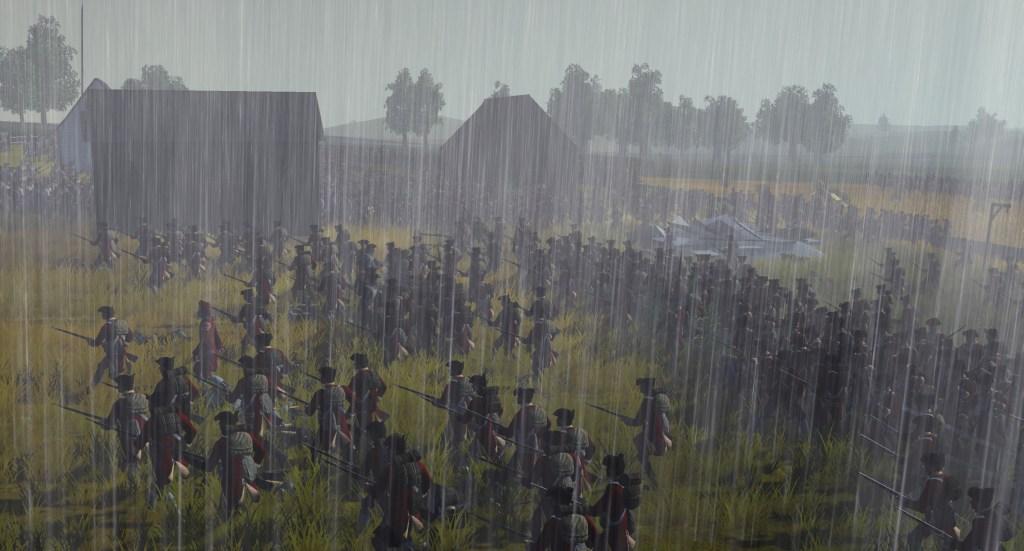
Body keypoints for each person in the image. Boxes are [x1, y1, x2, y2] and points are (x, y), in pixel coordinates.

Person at [371, 434, 430, 551]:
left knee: (380, 540)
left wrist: (369, 488)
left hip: (397, 517)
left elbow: (377, 490)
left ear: (393, 450)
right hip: (415, 514)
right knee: (402, 541)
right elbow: (427, 484)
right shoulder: (419, 466)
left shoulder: (391, 468)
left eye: (388, 449)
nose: (386, 452)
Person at [207, 410, 266, 514]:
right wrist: (254, 465)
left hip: (230, 485)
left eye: (221, 424)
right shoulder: (247, 437)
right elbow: (261, 452)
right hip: (250, 478)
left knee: (224, 514)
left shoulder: (221, 443)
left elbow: (209, 467)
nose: (220, 427)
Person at [621, 378, 672, 487]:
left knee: (641, 455)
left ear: (646, 387)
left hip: (654, 438)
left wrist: (626, 421)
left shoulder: (647, 402)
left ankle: (653, 481)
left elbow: (637, 422)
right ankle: (651, 480)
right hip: (660, 436)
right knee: (640, 454)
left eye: (642, 385)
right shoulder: (656, 399)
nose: (640, 388)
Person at [102, 374, 148, 485]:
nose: (117, 387)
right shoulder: (144, 398)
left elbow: (109, 424)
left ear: (122, 387)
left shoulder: (119, 403)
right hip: (147, 437)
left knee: (132, 464)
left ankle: (134, 485)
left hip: (130, 440)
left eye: (119, 385)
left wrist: (103, 423)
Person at [907, 452, 960, 550]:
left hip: (936, 519)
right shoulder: (945, 478)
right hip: (948, 520)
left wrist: (905, 502)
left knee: (913, 538)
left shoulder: (933, 480)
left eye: (926, 464)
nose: (924, 468)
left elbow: (921, 506)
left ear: (932, 465)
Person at [589, 454, 640, 551]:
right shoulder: (620, 488)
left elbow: (597, 509)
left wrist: (584, 509)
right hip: (620, 529)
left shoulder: (613, 490)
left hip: (614, 532)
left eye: (607, 469)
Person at [305, 366, 352, 461]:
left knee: (314, 449)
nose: (320, 378)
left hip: (326, 429)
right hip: (343, 427)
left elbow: (309, 412)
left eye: (321, 376)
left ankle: (315, 466)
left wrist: (305, 407)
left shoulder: (320, 393)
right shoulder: (342, 389)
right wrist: (346, 416)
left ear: (324, 378)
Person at [531, 485, 597, 551]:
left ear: (554, 502)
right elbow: (596, 540)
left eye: (551, 501)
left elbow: (539, 547)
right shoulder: (584, 518)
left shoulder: (553, 524)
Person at [91, 306, 134, 385]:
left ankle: (93, 386)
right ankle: (92, 386)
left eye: (103, 313)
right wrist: (123, 345)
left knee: (113, 375)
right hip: (121, 354)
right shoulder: (122, 324)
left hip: (113, 356)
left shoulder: (106, 327)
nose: (102, 315)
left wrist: (91, 342)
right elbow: (130, 337)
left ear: (107, 314)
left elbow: (96, 343)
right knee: (102, 368)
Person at [438, 360, 476, 448]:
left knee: (459, 438)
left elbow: (443, 400)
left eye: (451, 369)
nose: (449, 371)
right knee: (448, 435)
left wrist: (439, 402)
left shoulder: (452, 384)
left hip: (458, 414)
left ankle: (456, 452)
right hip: (468, 413)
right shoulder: (468, 382)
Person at [192, 300, 224, 379]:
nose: (198, 311)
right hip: (210, 352)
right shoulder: (211, 321)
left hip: (206, 353)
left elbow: (205, 341)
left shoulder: (205, 323)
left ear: (203, 311)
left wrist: (196, 352)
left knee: (204, 375)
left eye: (200, 309)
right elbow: (216, 336)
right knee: (207, 374)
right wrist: (220, 346)